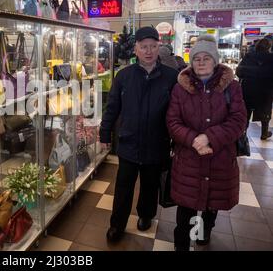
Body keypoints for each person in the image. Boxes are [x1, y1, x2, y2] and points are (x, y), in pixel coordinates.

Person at [166, 35, 246, 251]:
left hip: (219, 158)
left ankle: (203, 233)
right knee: (186, 211)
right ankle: (181, 246)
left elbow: (239, 121)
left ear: (216, 61)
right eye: (197, 58)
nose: (201, 62)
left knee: (211, 205)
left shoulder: (232, 88)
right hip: (189, 159)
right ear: (191, 62)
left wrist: (209, 137)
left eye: (206, 58)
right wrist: (194, 140)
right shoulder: (180, 88)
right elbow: (172, 121)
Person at [99, 27, 178, 242]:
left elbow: (178, 112)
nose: (149, 51)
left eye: (153, 46)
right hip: (128, 143)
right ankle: (117, 225)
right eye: (144, 47)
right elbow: (112, 108)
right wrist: (105, 134)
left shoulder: (171, 77)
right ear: (136, 49)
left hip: (157, 143)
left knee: (150, 186)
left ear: (159, 47)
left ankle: (145, 215)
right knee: (123, 187)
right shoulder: (124, 76)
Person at [236, 38, 273, 140]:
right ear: (269, 47)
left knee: (246, 113)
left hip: (248, 89)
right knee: (265, 112)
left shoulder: (248, 56)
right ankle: (264, 133)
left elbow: (239, 72)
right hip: (265, 92)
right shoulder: (271, 58)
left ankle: (242, 134)